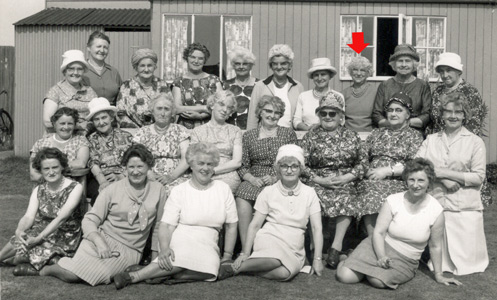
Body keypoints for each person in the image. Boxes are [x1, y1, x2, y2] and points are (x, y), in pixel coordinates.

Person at [112, 143, 238, 289]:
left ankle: (170, 274)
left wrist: (227, 256)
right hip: (182, 236)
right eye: (201, 163)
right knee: (180, 256)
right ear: (191, 165)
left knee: (211, 269)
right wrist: (164, 248)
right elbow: (166, 225)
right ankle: (133, 277)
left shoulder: (223, 189)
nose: (205, 168)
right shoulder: (179, 190)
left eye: (210, 164)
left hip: (208, 240)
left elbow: (231, 225)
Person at [41, 144, 168, 286]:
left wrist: (154, 262)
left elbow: (159, 225)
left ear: (148, 167)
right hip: (101, 238)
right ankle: (47, 269)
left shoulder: (159, 190)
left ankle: (57, 263)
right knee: (72, 275)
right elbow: (90, 220)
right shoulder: (112, 189)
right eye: (131, 167)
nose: (136, 171)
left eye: (140, 167)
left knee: (94, 275)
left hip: (130, 250)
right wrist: (99, 241)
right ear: (125, 168)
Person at [337, 158, 462, 289]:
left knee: (377, 281)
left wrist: (439, 274)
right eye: (411, 180)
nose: (415, 185)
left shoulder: (436, 210)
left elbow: (436, 246)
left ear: (429, 182)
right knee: (345, 277)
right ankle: (349, 258)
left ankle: (358, 262)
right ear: (406, 181)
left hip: (406, 259)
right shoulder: (393, 200)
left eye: (421, 180)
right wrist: (381, 256)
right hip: (380, 246)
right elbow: (379, 232)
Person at [217, 144, 323, 281]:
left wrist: (318, 259)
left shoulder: (310, 193)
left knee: (285, 274)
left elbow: (316, 228)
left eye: (294, 166)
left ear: (301, 168)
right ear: (278, 168)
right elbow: (255, 225)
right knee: (275, 260)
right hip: (270, 238)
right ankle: (234, 268)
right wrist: (245, 252)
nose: (289, 170)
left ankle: (242, 269)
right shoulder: (268, 191)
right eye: (284, 166)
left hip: (294, 244)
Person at [416, 93, 488, 275]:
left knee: (469, 263)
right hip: (437, 201)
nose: (453, 116)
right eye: (448, 111)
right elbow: (418, 166)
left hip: (465, 205)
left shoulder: (475, 142)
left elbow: (478, 177)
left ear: (465, 115)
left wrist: (444, 172)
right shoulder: (431, 140)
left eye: (458, 112)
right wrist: (443, 179)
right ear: (442, 114)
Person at [300, 91, 367, 269]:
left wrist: (347, 177)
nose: (328, 117)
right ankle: (315, 248)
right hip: (318, 179)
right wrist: (320, 180)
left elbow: (362, 163)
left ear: (341, 116)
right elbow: (301, 164)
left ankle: (335, 248)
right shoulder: (311, 137)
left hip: (345, 179)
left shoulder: (351, 136)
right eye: (323, 113)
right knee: (313, 197)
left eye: (332, 113)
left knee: (346, 196)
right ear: (319, 115)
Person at [0, 148, 83, 276]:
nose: (51, 172)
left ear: (62, 167)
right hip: (41, 231)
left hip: (65, 235)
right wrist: (19, 231)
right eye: (46, 169)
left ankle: (18, 260)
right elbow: (28, 216)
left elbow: (61, 218)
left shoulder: (75, 187)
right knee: (22, 239)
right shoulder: (39, 189)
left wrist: (39, 238)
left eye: (55, 167)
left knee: (40, 249)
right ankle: (3, 258)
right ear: (41, 170)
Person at [428, 52, 492, 207]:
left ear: (459, 72)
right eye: (441, 71)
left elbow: (473, 126)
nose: (445, 74)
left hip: (461, 149)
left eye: (449, 70)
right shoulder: (438, 91)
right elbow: (433, 121)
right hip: (439, 145)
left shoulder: (470, 92)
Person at [236, 95, 297, 252]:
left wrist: (276, 177)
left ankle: (275, 248)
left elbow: (295, 161)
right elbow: (243, 165)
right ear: (260, 112)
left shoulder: (287, 134)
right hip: (255, 178)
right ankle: (246, 248)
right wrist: (252, 178)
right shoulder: (249, 136)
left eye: (277, 112)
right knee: (243, 194)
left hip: (282, 177)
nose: (272, 115)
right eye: (268, 111)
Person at [356, 92, 423, 236]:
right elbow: (362, 156)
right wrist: (367, 170)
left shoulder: (414, 136)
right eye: (390, 110)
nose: (393, 114)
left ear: (408, 115)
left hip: (398, 180)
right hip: (372, 178)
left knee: (382, 195)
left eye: (399, 110)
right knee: (369, 190)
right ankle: (373, 239)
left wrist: (388, 171)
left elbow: (414, 164)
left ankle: (384, 240)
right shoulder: (377, 133)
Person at [132, 93, 190, 194]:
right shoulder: (142, 133)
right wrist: (150, 175)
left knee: (178, 192)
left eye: (166, 109)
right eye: (159, 108)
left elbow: (186, 158)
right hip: (148, 176)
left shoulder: (180, 130)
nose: (162, 113)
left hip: (177, 177)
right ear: (152, 111)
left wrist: (171, 177)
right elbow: (136, 159)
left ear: (172, 113)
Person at [372, 44, 431, 132]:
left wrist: (404, 123)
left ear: (413, 64)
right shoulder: (385, 85)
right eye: (400, 61)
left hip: (415, 132)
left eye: (407, 61)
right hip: (388, 132)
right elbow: (376, 114)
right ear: (394, 64)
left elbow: (427, 114)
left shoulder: (422, 85)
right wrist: (393, 124)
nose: (403, 65)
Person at [191, 90, 242, 192]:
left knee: (220, 190)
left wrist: (213, 171)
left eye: (229, 108)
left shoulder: (235, 131)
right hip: (202, 172)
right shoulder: (197, 131)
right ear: (212, 105)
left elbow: (237, 161)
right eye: (221, 104)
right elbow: (192, 159)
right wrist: (206, 171)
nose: (225, 110)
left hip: (227, 175)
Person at [86, 97, 133, 205]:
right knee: (101, 194)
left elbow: (134, 159)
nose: (101, 122)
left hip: (125, 175)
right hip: (101, 177)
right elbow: (93, 163)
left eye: (104, 117)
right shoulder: (91, 139)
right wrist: (103, 182)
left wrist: (121, 176)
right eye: (96, 119)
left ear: (111, 118)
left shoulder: (126, 136)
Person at [247, 44, 304, 130]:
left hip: (290, 136)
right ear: (271, 66)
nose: (279, 67)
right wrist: (250, 137)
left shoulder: (297, 86)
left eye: (283, 63)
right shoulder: (260, 85)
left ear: (290, 65)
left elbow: (300, 117)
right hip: (265, 136)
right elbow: (253, 117)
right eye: (275, 64)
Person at [43, 50, 98, 133]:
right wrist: (77, 126)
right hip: (61, 138)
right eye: (71, 69)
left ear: (84, 71)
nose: (75, 73)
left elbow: (97, 115)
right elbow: (47, 122)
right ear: (64, 71)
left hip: (85, 137)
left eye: (79, 69)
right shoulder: (55, 91)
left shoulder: (90, 92)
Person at [30, 107, 90, 182]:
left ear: (74, 125)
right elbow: (33, 173)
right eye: (62, 123)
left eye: (70, 123)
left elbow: (81, 163)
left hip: (71, 186)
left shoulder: (80, 141)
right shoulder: (40, 143)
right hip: (45, 185)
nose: (66, 127)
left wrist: (48, 167)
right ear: (54, 124)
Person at [172, 42, 223, 129]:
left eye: (200, 58)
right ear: (186, 58)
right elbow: (176, 108)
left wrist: (202, 116)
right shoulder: (179, 81)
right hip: (185, 128)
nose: (196, 61)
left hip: (211, 127)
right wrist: (204, 108)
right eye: (193, 57)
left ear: (204, 61)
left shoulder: (214, 80)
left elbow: (221, 106)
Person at [117, 48, 170, 128]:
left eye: (149, 65)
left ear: (155, 67)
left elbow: (170, 110)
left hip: (159, 131)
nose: (146, 69)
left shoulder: (162, 85)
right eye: (142, 66)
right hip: (133, 132)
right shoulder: (126, 86)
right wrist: (138, 131)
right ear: (136, 67)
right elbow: (120, 113)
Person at [293, 57, 342, 130]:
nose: (319, 78)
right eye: (316, 75)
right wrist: (308, 129)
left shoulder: (338, 96)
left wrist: (320, 127)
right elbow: (296, 121)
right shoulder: (303, 96)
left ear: (330, 76)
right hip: (307, 135)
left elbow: (341, 121)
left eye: (323, 74)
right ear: (312, 77)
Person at [223, 46, 259, 129]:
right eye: (237, 64)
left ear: (251, 66)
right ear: (233, 66)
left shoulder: (260, 85)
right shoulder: (225, 85)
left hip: (253, 131)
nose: (241, 67)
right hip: (229, 130)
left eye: (245, 64)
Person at [82, 31, 122, 106]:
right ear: (88, 48)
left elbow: (121, 98)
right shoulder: (81, 70)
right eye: (98, 46)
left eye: (105, 47)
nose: (102, 50)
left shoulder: (113, 72)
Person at [342, 56, 377, 132]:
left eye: (362, 70)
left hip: (370, 135)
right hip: (348, 136)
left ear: (368, 73)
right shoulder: (344, 93)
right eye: (355, 70)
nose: (358, 73)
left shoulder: (375, 92)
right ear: (351, 72)